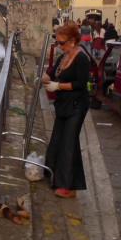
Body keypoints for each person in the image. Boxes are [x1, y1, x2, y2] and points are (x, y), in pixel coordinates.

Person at [41, 23, 90, 198]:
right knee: (57, 139)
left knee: (69, 143)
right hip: (63, 105)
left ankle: (68, 187)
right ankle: (54, 176)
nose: (59, 46)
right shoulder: (63, 59)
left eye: (61, 43)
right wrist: (40, 79)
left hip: (77, 106)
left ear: (72, 41)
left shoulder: (81, 59)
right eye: (57, 43)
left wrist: (58, 86)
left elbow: (80, 84)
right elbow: (52, 74)